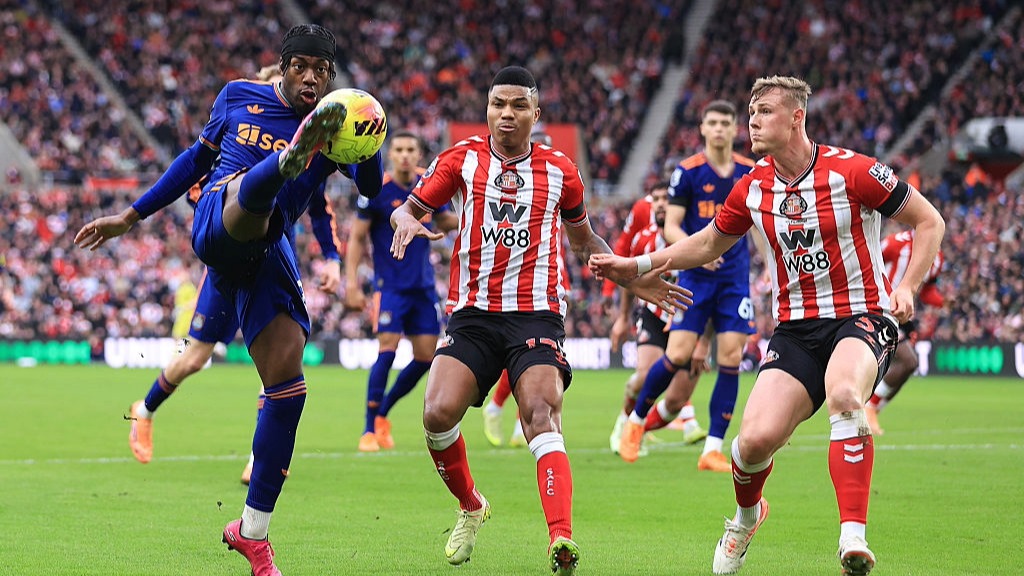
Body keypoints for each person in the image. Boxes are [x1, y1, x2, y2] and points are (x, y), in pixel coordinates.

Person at [590, 75, 945, 575]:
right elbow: (709, 243)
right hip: (795, 331)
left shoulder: (854, 171)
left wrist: (906, 286)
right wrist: (642, 265)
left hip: (860, 316)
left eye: (764, 112)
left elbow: (930, 220)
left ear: (796, 117)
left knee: (845, 394)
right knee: (753, 443)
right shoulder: (753, 185)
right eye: (750, 112)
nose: (752, 121)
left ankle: (853, 540)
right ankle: (746, 517)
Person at [75, 24, 383, 576]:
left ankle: (253, 533)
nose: (310, 76)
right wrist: (131, 215)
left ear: (331, 75)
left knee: (288, 388)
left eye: (321, 69)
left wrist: (374, 138)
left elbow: (372, 189)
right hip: (220, 218)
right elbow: (194, 161)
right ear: (283, 66)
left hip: (266, 255)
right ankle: (280, 166)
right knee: (251, 201)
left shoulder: (341, 127)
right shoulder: (238, 96)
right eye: (300, 66)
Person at [389, 66, 686, 576]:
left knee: (541, 416)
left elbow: (583, 241)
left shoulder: (561, 171)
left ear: (536, 113)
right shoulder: (460, 161)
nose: (507, 114)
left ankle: (561, 539)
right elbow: (408, 208)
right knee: (437, 414)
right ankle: (471, 506)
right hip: (473, 315)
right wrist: (405, 221)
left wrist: (633, 277)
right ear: (487, 110)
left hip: (536, 314)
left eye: (518, 105)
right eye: (498, 104)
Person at [618, 101, 758, 471]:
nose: (718, 129)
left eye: (725, 123)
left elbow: (760, 226)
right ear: (702, 128)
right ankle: (635, 422)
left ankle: (712, 448)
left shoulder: (751, 171)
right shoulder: (688, 172)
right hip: (695, 277)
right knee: (678, 353)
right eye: (711, 122)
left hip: (734, 278)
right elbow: (672, 226)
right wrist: (701, 249)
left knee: (730, 358)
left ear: (734, 129)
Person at [344, 130, 456, 452]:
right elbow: (357, 238)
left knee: (425, 357)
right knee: (387, 351)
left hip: (422, 288)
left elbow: (447, 219)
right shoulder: (376, 188)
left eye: (411, 149)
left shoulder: (430, 185)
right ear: (390, 155)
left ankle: (382, 413)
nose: (405, 155)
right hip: (389, 287)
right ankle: (368, 431)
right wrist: (351, 283)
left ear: (418, 154)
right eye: (399, 149)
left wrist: (470, 223)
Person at [608, 182, 709, 457]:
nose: (662, 204)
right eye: (657, 199)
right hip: (653, 314)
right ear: (651, 204)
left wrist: (705, 340)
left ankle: (639, 429)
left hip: (688, 319)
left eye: (667, 198)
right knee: (643, 377)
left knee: (676, 401)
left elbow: (711, 286)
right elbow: (629, 280)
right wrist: (623, 318)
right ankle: (624, 426)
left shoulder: (696, 238)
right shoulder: (643, 239)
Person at [480, 129, 558, 450]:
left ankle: (512, 422)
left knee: (535, 360)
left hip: (544, 278)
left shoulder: (554, 177)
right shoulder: (497, 176)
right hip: (506, 281)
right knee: (522, 357)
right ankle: (499, 409)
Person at [864, 230, 945, 435]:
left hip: (903, 314)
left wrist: (943, 302)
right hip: (879, 308)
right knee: (908, 361)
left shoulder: (937, 257)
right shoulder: (895, 244)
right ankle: (868, 407)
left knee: (907, 365)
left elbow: (927, 292)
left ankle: (870, 408)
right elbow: (865, 260)